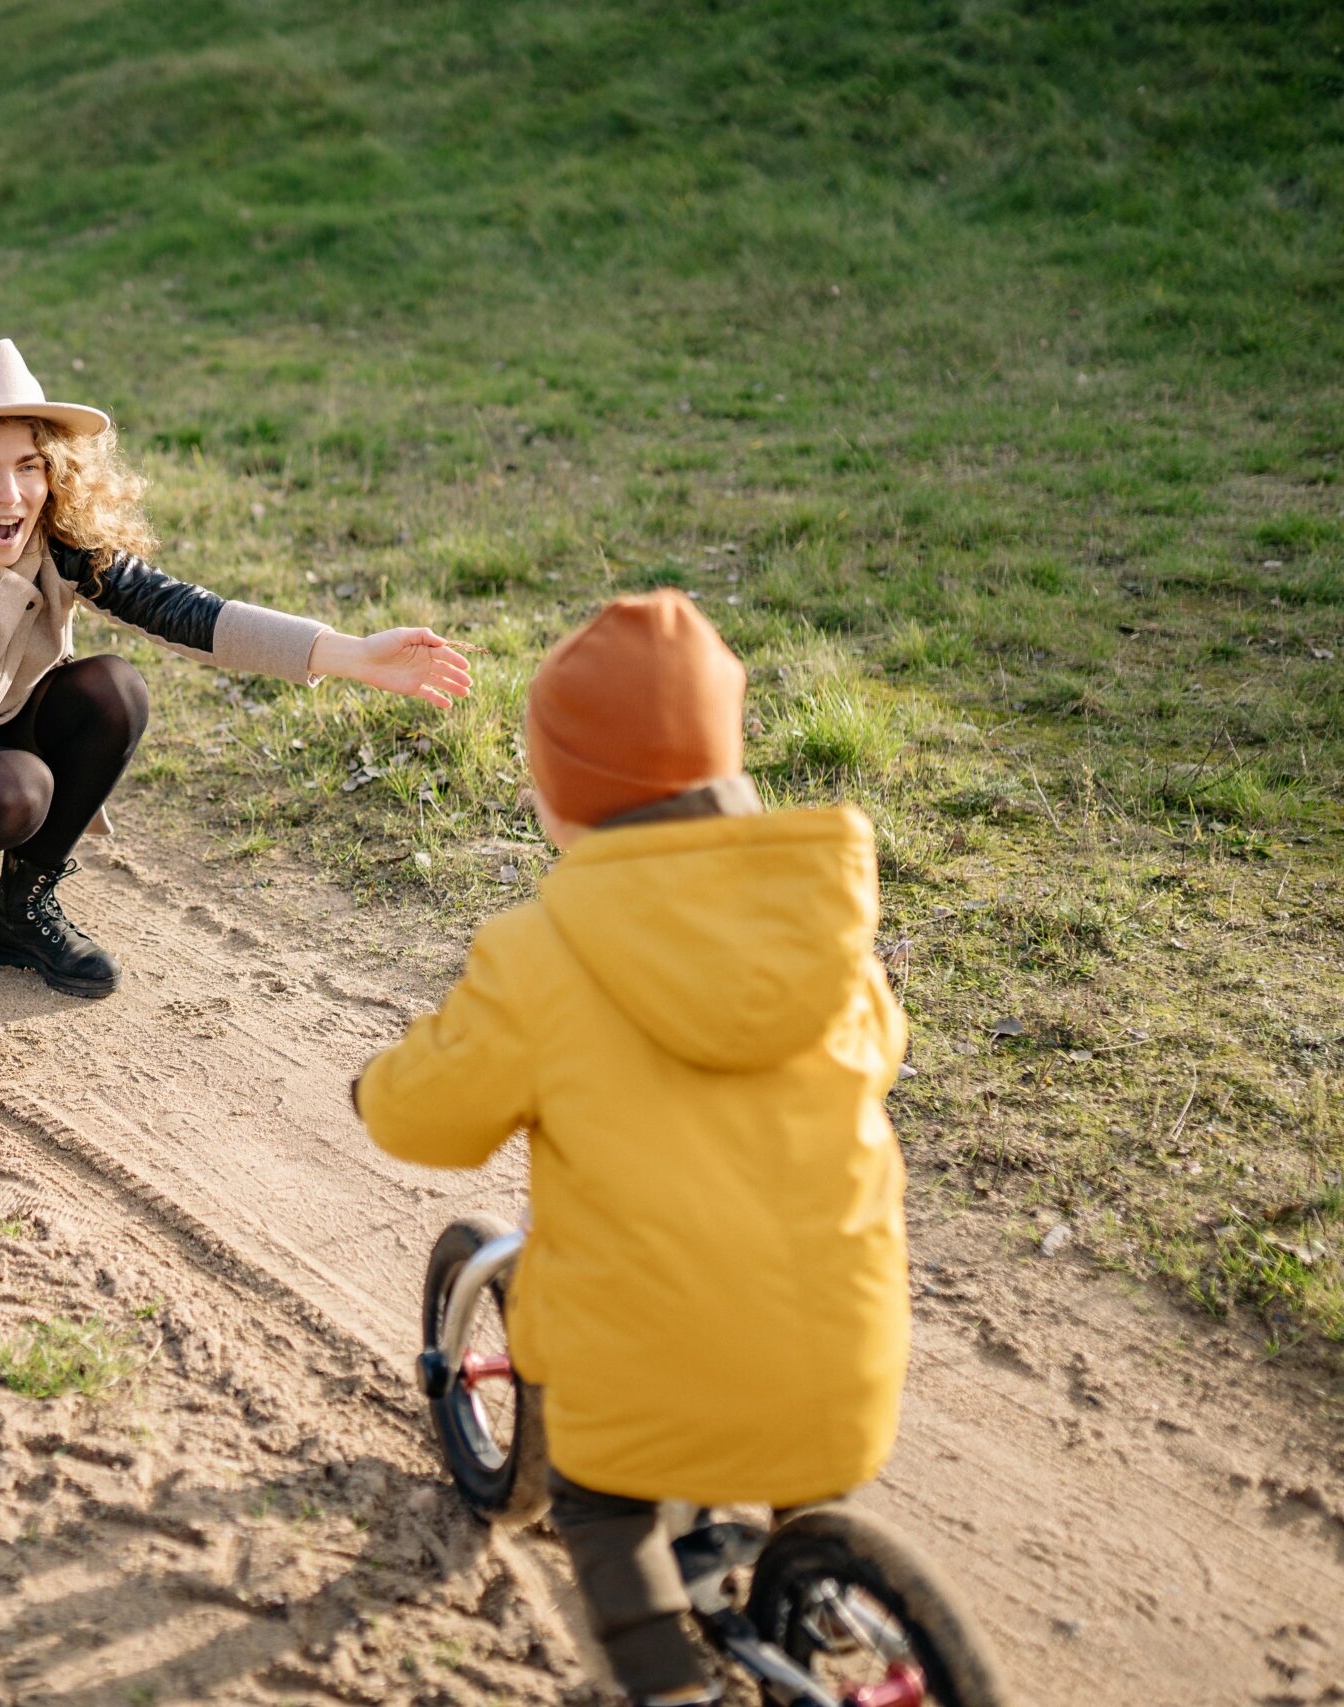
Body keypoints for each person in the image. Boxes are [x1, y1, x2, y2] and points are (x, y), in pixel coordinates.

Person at [353, 591, 909, 1706]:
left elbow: (436, 1115)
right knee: (794, 1450)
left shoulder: (543, 950)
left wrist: (379, 1088)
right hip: (843, 1352)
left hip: (648, 1366)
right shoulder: (823, 925)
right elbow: (880, 1048)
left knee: (601, 1504)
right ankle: (814, 1585)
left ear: (563, 797)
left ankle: (669, 1686)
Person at [0, 337, 473, 1000]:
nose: (12, 494)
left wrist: (348, 652)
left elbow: (187, 613)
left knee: (112, 691)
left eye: (29, 466)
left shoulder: (54, 539)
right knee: (16, 791)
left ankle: (25, 910)